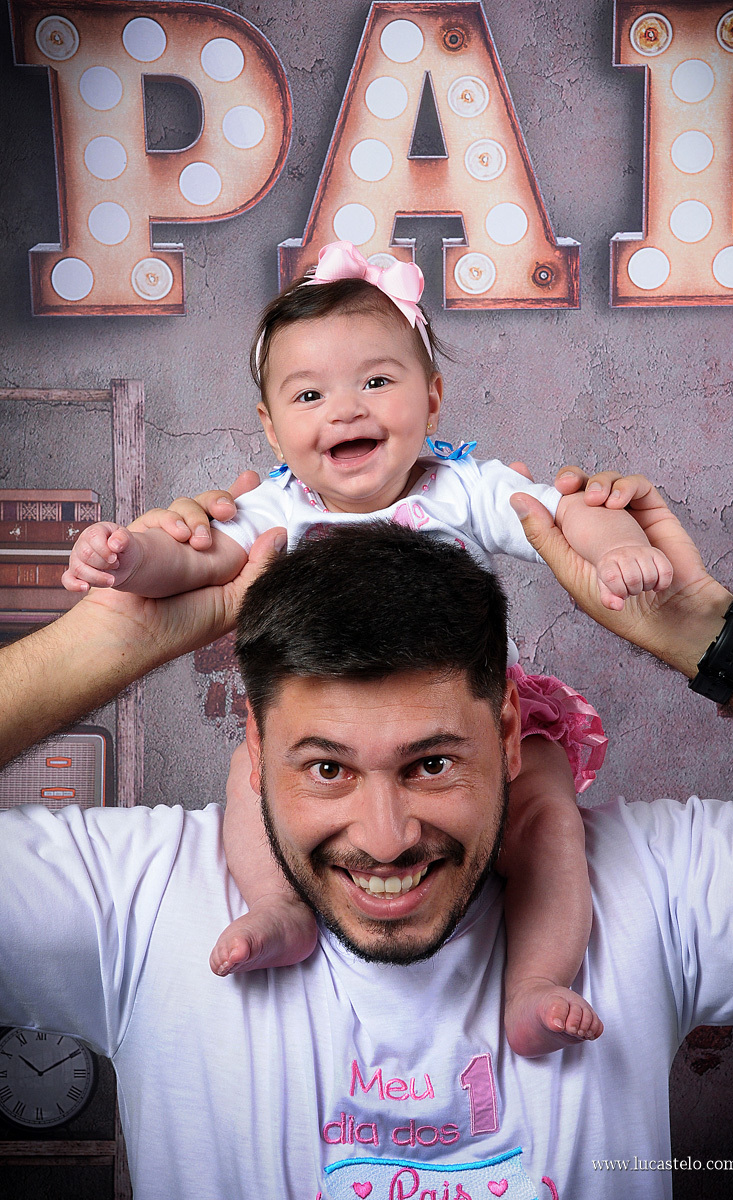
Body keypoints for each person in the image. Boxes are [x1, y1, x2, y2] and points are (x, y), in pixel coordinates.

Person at [1, 498, 733, 1200]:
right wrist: (113, 640)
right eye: (327, 769)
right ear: (256, 747)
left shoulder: (653, 888)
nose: (385, 840)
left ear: (510, 734)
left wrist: (703, 629)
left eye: (432, 764)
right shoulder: (134, 903)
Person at [60, 242, 673, 1057]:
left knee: (548, 815)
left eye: (377, 382)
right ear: (270, 426)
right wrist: (129, 558)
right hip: (332, 731)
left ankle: (535, 983)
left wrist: (617, 547)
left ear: (433, 398)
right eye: (309, 394)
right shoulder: (274, 507)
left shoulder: (465, 486)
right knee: (249, 782)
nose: (345, 410)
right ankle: (280, 907)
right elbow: (196, 559)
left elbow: (566, 512)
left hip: (469, 722)